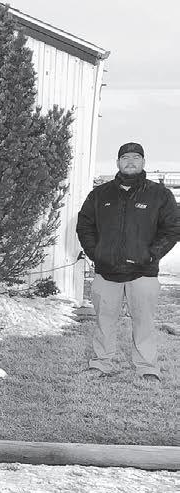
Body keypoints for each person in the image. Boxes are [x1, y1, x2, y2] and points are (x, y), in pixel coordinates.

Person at [76, 142, 179, 382]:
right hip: (106, 272)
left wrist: (151, 254)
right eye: (125, 157)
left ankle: (147, 368)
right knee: (104, 321)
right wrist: (96, 253)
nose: (130, 161)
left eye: (135, 157)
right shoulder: (100, 195)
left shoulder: (159, 195)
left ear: (143, 162)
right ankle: (101, 364)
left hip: (143, 272)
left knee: (144, 322)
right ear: (117, 162)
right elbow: (85, 226)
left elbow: (172, 229)